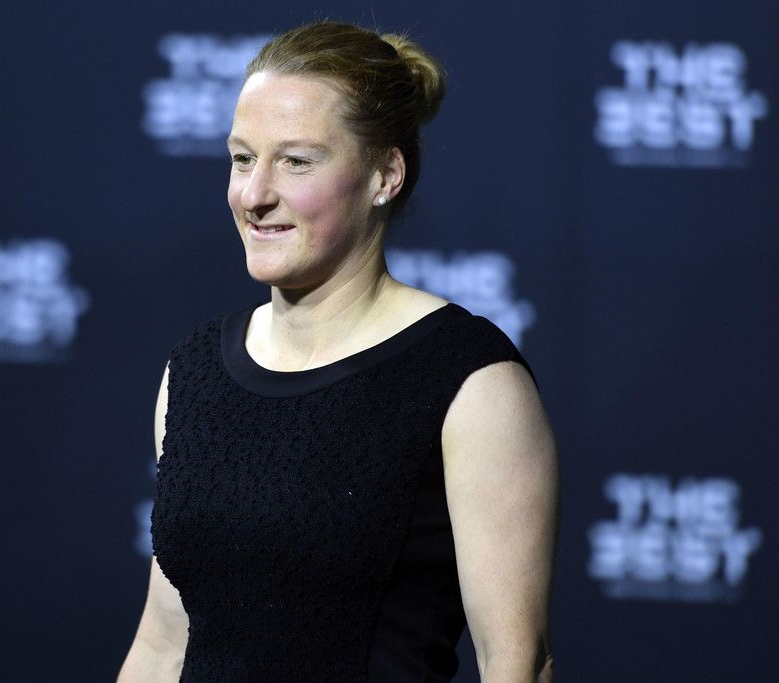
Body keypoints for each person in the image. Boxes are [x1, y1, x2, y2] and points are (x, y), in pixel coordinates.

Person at [119, 20, 557, 682]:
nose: (254, 195)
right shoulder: (195, 370)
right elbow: (163, 643)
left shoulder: (469, 381)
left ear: (385, 175)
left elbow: (517, 661)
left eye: (296, 161)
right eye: (242, 158)